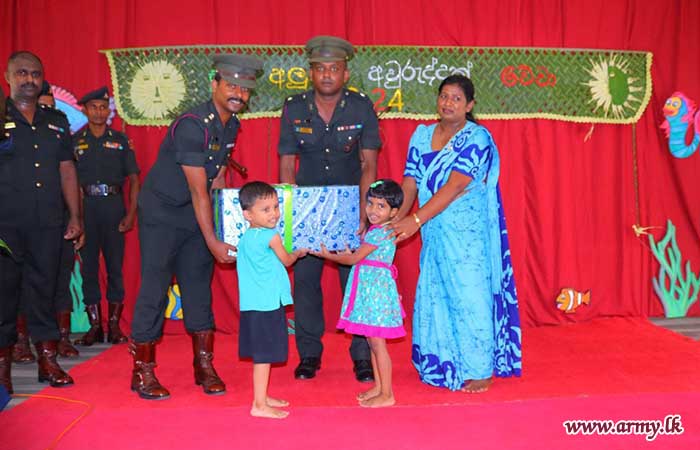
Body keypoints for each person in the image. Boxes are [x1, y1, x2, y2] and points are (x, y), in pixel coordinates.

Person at [129, 53, 262, 400]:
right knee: (155, 287)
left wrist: (223, 229)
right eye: (231, 85)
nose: (238, 94)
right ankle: (142, 371)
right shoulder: (192, 124)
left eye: (245, 89)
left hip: (194, 213)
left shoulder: (231, 123)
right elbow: (196, 188)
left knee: (198, 286)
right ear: (214, 84)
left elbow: (215, 178)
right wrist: (215, 241)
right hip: (162, 213)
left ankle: (203, 365)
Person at [389, 75, 522, 393]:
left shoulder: (477, 137)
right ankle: (441, 361)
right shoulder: (421, 136)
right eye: (444, 96)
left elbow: (456, 184)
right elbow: (410, 183)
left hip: (467, 232)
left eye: (456, 98)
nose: (448, 103)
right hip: (433, 229)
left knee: (468, 293)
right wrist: (397, 218)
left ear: (470, 105)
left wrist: (415, 220)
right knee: (436, 292)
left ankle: (480, 369)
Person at [278, 35, 380, 382]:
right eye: (320, 69)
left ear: (345, 74)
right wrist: (289, 215)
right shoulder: (293, 107)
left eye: (334, 69)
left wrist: (367, 214)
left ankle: (362, 357)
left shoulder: (361, 107)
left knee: (355, 281)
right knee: (305, 283)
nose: (326, 75)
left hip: (348, 209)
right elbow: (287, 164)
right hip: (306, 209)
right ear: (311, 72)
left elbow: (368, 164)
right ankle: (308, 355)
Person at [0, 51, 82, 394]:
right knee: (4, 294)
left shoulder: (56, 121)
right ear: (8, 77)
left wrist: (76, 215)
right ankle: (3, 370)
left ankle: (47, 360)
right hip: (5, 225)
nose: (29, 79)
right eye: (22, 73)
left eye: (35, 74)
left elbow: (67, 169)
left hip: (48, 222)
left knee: (44, 291)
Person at [313, 179, 405, 408]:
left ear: (394, 211)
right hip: (371, 290)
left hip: (375, 293)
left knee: (378, 344)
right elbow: (360, 255)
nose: (373, 210)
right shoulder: (379, 230)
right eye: (370, 204)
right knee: (373, 343)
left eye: (381, 206)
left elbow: (354, 259)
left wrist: (329, 255)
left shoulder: (377, 233)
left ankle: (388, 393)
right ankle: (379, 387)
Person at [72, 86, 140, 347]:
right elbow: (71, 183)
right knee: (88, 267)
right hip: (85, 208)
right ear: (85, 110)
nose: (99, 112)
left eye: (103, 107)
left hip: (113, 207)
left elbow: (133, 179)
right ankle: (94, 326)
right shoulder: (74, 142)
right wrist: (76, 218)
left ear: (108, 110)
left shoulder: (120, 140)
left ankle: (113, 326)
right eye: (94, 107)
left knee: (115, 267)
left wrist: (131, 213)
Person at [236, 181, 308, 419]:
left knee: (261, 354)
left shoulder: (246, 237)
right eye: (265, 209)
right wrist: (298, 253)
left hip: (253, 304)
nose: (274, 213)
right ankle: (259, 404)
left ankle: (263, 396)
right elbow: (286, 261)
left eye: (276, 207)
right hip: (266, 303)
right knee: (264, 356)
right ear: (248, 214)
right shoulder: (271, 236)